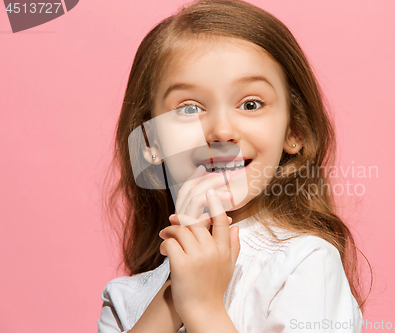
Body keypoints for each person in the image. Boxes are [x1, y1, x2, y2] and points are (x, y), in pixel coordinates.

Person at [98, 0, 370, 332]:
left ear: (294, 129)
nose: (222, 131)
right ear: (150, 141)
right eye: (189, 108)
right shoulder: (125, 299)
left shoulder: (305, 265)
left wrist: (203, 308)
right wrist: (174, 297)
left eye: (251, 104)